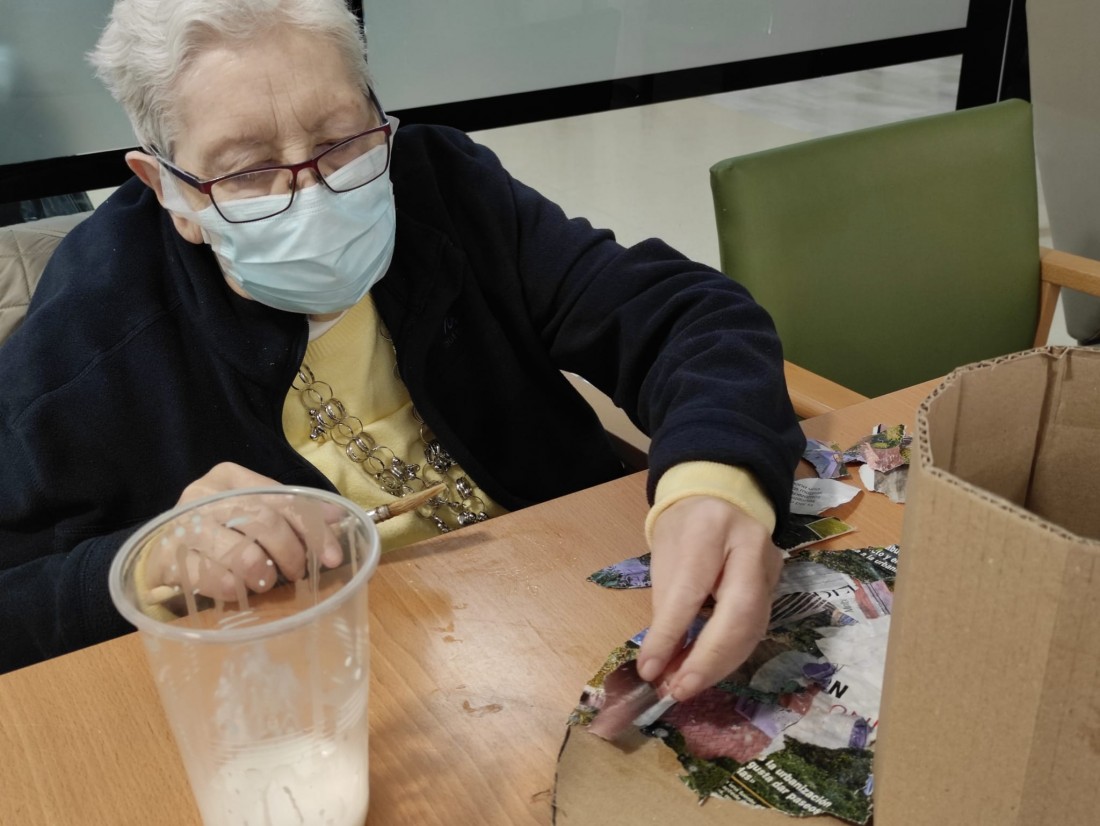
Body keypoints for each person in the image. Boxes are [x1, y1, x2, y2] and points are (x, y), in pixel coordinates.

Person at [0, 0, 805, 701]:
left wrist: (714, 482)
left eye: (341, 139)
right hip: (335, 692)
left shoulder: (444, 189)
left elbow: (685, 317)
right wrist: (148, 562)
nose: (313, 194)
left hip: (570, 612)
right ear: (170, 191)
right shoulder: (92, 333)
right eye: (248, 171)